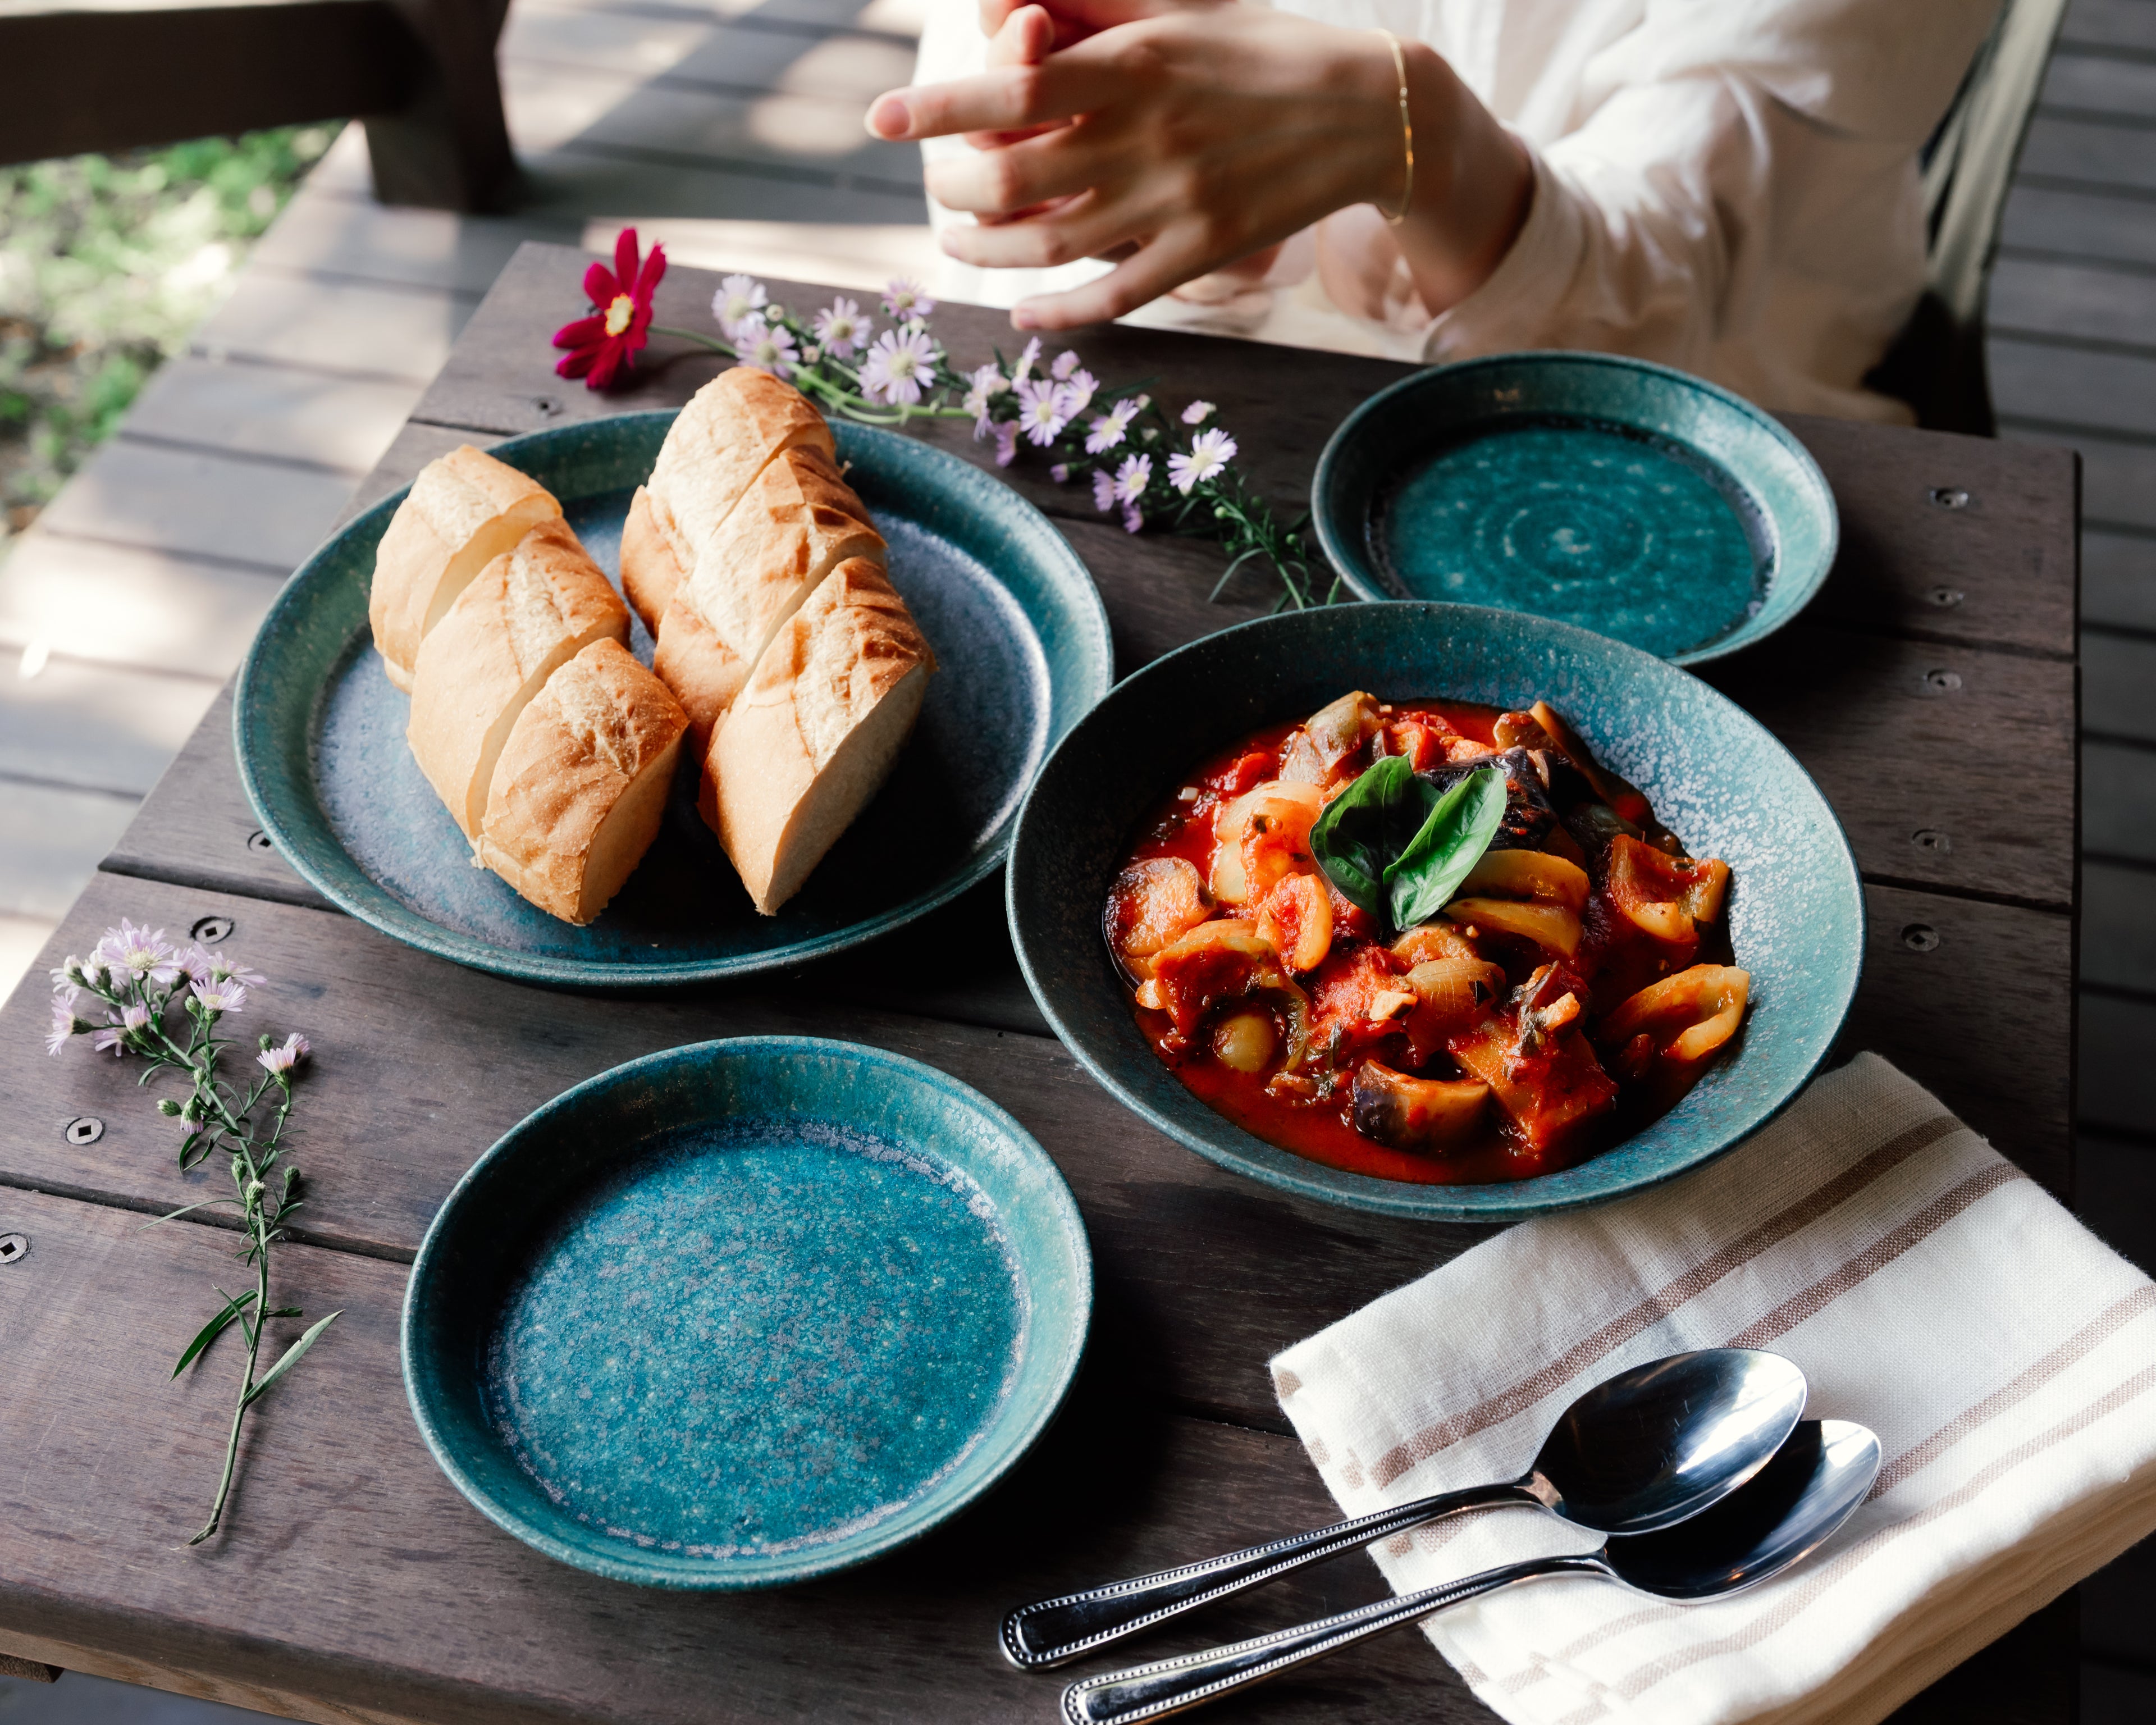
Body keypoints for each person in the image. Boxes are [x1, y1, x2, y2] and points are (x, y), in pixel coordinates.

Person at [866, 0, 2003, 421]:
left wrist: (1428, 148)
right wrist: (1109, 140)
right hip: (1160, 396)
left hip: (1672, 431)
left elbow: (1678, 292)